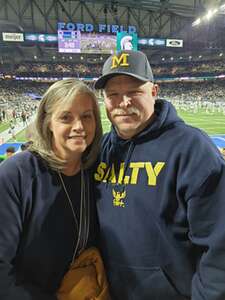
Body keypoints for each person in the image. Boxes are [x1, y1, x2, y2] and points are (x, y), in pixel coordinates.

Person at [94, 50, 225, 300]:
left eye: (134, 92)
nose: (123, 103)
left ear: (154, 92)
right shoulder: (100, 150)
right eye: (113, 94)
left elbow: (219, 248)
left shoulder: (192, 149)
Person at [0, 79, 103, 299]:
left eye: (87, 116)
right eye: (66, 117)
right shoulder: (16, 174)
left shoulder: (96, 171)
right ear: (48, 122)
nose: (79, 126)